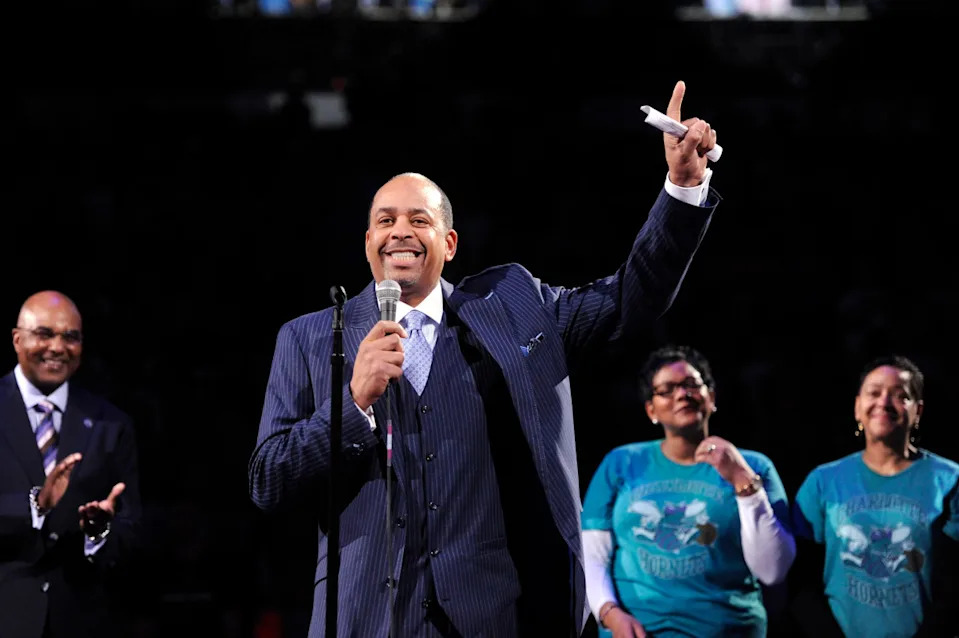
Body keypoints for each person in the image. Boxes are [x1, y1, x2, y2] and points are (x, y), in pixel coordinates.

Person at [249, 80, 720, 637]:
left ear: (448, 244)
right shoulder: (309, 338)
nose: (401, 230)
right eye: (386, 220)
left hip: (489, 617)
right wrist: (354, 404)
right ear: (368, 241)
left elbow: (627, 299)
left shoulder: (515, 307)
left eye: (419, 220)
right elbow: (268, 482)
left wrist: (683, 188)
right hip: (364, 619)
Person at [581, 345, 795, 637]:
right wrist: (609, 613)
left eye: (691, 385)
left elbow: (773, 571)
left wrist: (744, 484)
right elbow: (592, 555)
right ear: (651, 410)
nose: (682, 394)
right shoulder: (620, 463)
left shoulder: (755, 466)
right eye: (667, 389)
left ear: (711, 397)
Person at [0, 291, 141, 638]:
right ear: (17, 339)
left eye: (70, 336)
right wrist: (35, 505)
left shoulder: (111, 423)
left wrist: (99, 532)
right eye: (44, 333)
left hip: (81, 619)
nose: (58, 347)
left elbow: (131, 527)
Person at [791, 355, 959, 638]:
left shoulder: (949, 478)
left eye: (899, 396)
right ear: (858, 407)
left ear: (917, 411)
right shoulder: (823, 481)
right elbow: (798, 579)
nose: (884, 402)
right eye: (874, 393)